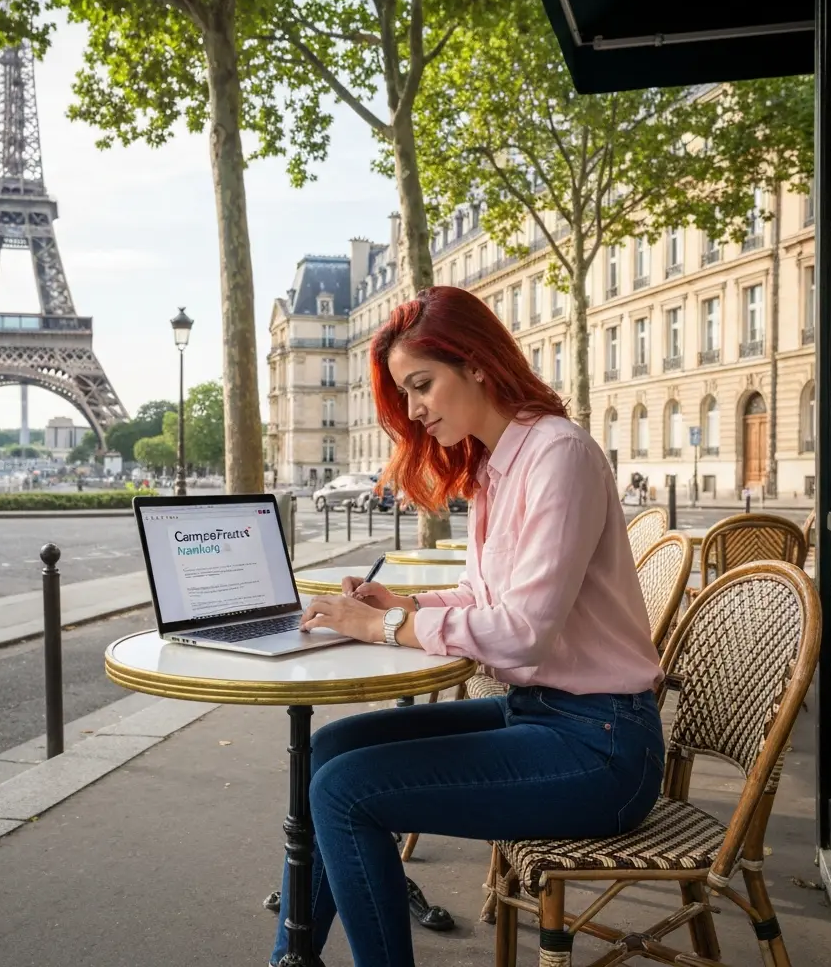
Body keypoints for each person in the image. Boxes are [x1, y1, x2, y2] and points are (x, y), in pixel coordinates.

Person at [268, 286, 663, 967]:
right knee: (332, 752)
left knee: (344, 792)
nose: (415, 412)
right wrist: (405, 605)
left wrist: (381, 628)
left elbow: (522, 633)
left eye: (422, 386)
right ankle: (288, 961)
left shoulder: (557, 456)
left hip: (603, 750)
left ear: (476, 364)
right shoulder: (497, 467)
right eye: (406, 395)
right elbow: (484, 595)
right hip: (541, 716)